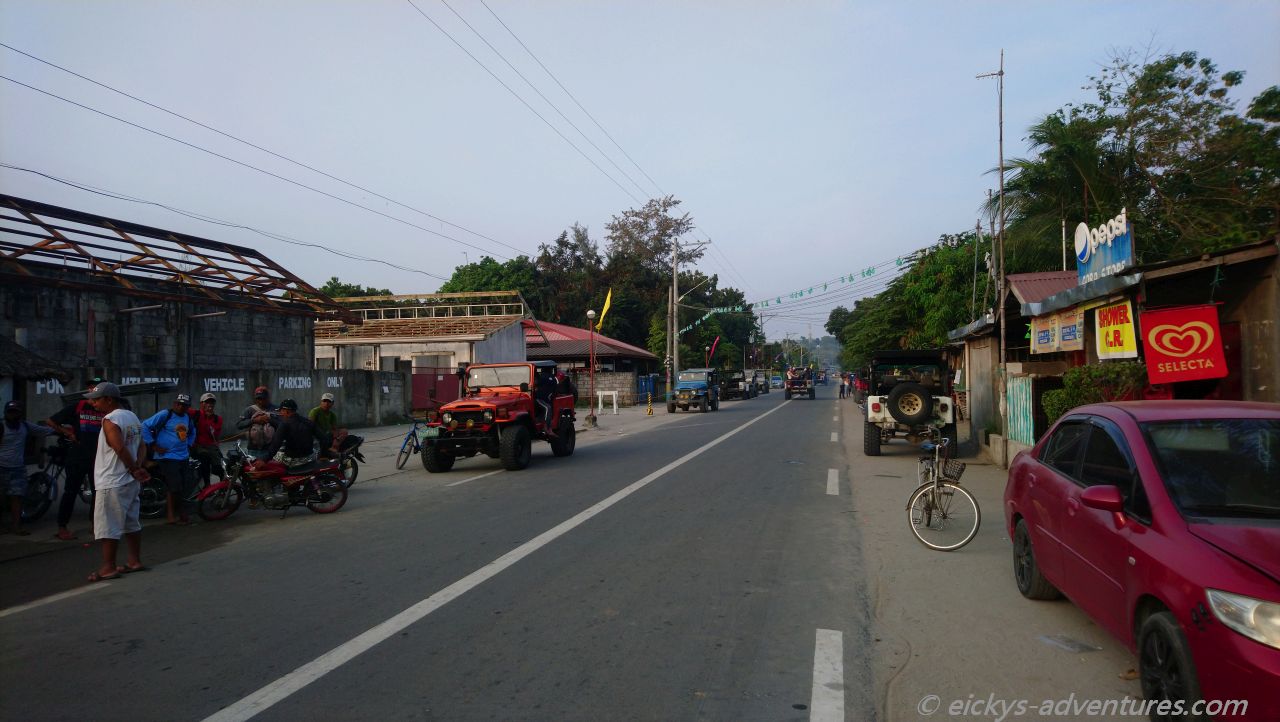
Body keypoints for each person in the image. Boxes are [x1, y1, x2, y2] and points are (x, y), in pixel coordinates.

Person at [85, 382, 148, 581]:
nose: (93, 404)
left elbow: (119, 448)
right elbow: (141, 445)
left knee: (108, 525)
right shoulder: (132, 416)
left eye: (96, 399)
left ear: (109, 399)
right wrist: (137, 467)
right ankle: (134, 560)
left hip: (112, 480)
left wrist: (134, 468)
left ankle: (108, 567)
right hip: (128, 481)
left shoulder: (110, 420)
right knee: (131, 522)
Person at [46, 377, 106, 540]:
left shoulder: (106, 410)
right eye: (91, 388)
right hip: (77, 457)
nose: (93, 392)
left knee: (98, 492)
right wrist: (68, 433)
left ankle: (95, 525)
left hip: (98, 458)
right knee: (70, 492)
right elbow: (51, 421)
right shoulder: (78, 407)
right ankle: (62, 527)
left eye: (97, 389)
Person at [253, 399, 329, 503]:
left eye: (282, 411)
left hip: (294, 461)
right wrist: (322, 455)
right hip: (309, 458)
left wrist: (264, 460)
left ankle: (276, 487)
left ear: (287, 411)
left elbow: (275, 445)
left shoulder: (284, 424)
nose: (280, 413)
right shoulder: (307, 422)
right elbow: (324, 438)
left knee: (273, 462)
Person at [142, 394, 196, 526]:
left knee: (183, 486)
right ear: (174, 403)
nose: (181, 407)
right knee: (174, 487)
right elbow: (144, 426)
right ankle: (172, 515)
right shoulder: (165, 414)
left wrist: (189, 444)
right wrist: (153, 445)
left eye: (184, 405)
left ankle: (181, 513)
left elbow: (193, 432)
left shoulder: (187, 418)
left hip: (183, 456)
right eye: (179, 404)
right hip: (167, 457)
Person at [1, 400, 53, 536]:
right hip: (2, 467)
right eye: (10, 412)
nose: (13, 416)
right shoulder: (1, 427)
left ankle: (16, 526)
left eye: (15, 413)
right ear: (6, 413)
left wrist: (63, 431)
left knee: (17, 498)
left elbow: (43, 431)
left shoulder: (24, 426)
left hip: (18, 468)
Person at [191, 393, 225, 489]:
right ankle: (207, 485)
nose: (209, 405)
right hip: (198, 446)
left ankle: (223, 488)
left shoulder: (218, 419)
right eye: (206, 402)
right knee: (204, 460)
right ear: (201, 404)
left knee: (218, 469)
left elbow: (215, 436)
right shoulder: (196, 414)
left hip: (211, 446)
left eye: (212, 403)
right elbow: (184, 410)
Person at [237, 386, 279, 460]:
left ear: (268, 397)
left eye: (263, 398)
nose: (260, 401)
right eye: (258, 399)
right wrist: (254, 420)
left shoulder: (275, 409)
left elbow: (282, 425)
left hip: (270, 449)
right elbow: (239, 425)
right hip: (253, 449)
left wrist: (269, 420)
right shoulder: (249, 410)